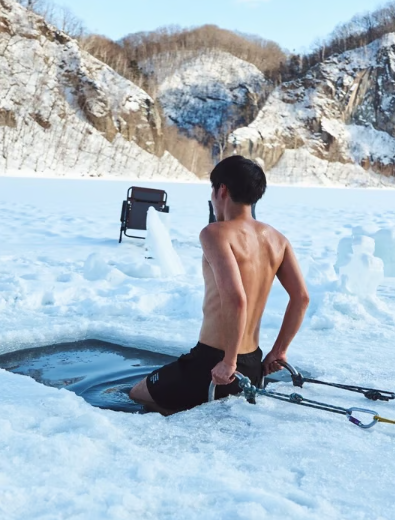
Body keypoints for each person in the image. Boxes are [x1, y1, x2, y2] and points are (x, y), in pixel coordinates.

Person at [129, 155, 310, 415]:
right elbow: (301, 298)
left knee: (137, 393)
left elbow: (236, 299)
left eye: (212, 191)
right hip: (253, 363)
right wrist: (279, 351)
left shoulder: (215, 232)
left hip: (214, 364)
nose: (213, 198)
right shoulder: (278, 239)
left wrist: (228, 361)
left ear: (221, 189)